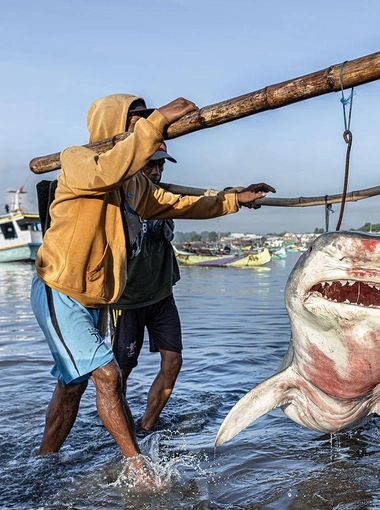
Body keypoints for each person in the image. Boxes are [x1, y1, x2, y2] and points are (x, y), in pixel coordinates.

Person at [30, 93, 275, 482]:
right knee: (108, 376)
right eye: (134, 121)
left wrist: (234, 200)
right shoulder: (77, 160)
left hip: (95, 299)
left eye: (143, 121)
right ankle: (138, 467)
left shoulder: (133, 186)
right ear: (113, 126)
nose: (141, 127)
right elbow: (105, 172)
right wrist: (157, 120)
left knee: (72, 385)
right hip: (59, 289)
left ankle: (42, 463)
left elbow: (177, 203)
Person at [110, 142, 183, 432]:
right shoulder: (117, 198)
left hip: (162, 295)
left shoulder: (164, 199)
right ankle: (121, 430)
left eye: (160, 166)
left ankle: (146, 428)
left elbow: (169, 228)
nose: (157, 172)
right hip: (128, 300)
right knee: (119, 374)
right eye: (150, 166)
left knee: (173, 361)